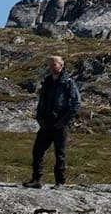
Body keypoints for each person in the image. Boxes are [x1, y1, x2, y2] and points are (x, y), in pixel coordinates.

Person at [23, 54, 81, 188]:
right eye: (49, 64)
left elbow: (76, 104)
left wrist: (64, 121)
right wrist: (40, 118)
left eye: (53, 64)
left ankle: (60, 181)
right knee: (37, 151)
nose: (51, 67)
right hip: (46, 123)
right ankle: (36, 180)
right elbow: (42, 102)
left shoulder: (68, 83)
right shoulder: (47, 82)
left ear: (61, 65)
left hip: (60, 125)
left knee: (60, 154)